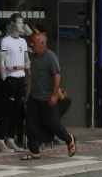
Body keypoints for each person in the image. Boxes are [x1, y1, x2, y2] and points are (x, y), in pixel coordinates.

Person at [21, 30, 76, 159]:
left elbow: (57, 75)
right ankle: (34, 152)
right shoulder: (33, 57)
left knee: (53, 124)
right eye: (31, 42)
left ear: (42, 43)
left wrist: (54, 95)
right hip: (34, 98)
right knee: (30, 124)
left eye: (34, 42)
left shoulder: (50, 57)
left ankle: (69, 140)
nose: (31, 44)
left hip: (47, 98)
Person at [0, 19, 30, 151]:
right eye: (19, 22)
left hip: (20, 78)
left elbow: (27, 61)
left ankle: (10, 138)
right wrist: (4, 76)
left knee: (16, 110)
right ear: (12, 24)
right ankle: (0, 140)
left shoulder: (23, 41)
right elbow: (1, 61)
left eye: (22, 22)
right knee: (6, 110)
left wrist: (26, 67)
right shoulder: (5, 41)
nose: (22, 25)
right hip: (10, 78)